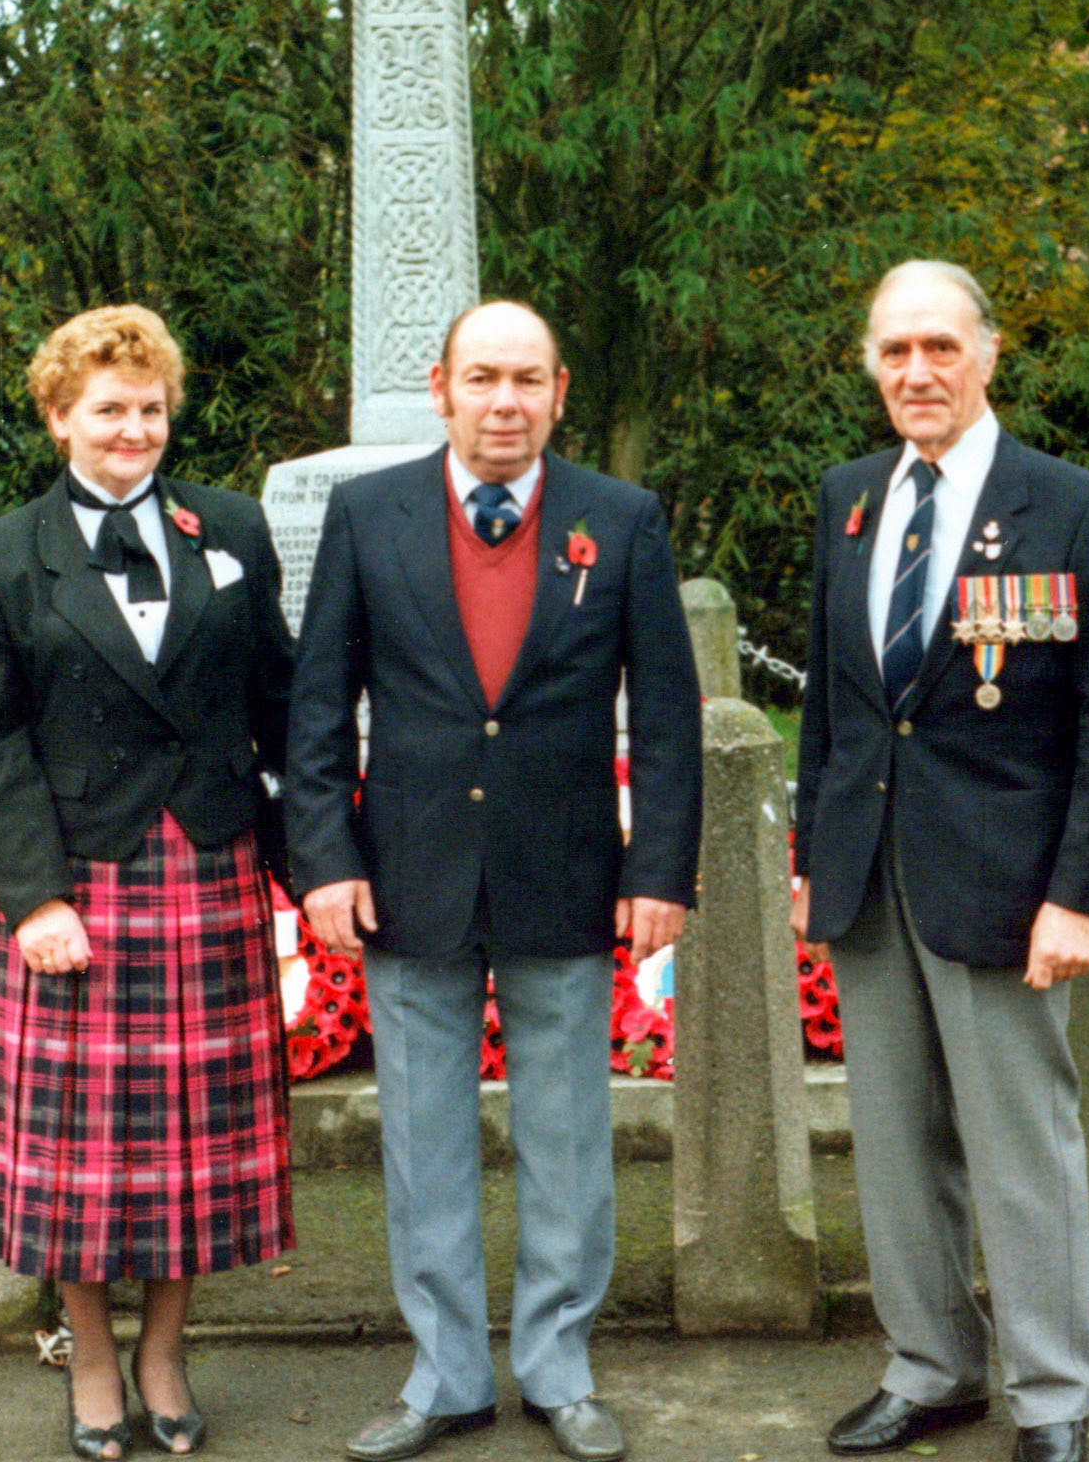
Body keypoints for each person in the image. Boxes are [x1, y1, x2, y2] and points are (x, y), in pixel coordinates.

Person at [286, 299, 703, 1462]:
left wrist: (659, 863)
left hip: (565, 870)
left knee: (567, 1128)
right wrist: (322, 855)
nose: (504, 400)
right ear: (442, 386)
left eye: (526, 378)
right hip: (407, 869)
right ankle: (446, 1371)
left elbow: (664, 712)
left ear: (558, 390)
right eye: (483, 377)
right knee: (421, 1134)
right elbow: (319, 700)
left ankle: (559, 1364)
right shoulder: (369, 515)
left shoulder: (618, 520)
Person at [792, 262, 1089, 1462]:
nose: (915, 372)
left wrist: (1079, 893)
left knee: (1018, 1145)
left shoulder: (1067, 503)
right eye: (893, 351)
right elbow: (837, 713)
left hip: (1005, 879)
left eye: (939, 347)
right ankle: (930, 1365)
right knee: (891, 1141)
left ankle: (1049, 1392)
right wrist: (810, 855)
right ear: (867, 363)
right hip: (868, 872)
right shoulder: (846, 497)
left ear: (987, 354)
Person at [0, 306, 295, 1461]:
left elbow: (278, 704)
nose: (132, 427)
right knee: (79, 1158)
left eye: (149, 407)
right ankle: (94, 1354)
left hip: (208, 867)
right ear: (58, 419)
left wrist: (317, 866)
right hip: (76, 883)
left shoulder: (231, 526)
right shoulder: (0, 554)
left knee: (197, 1147)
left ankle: (165, 1348)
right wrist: (35, 896)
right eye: (107, 408)